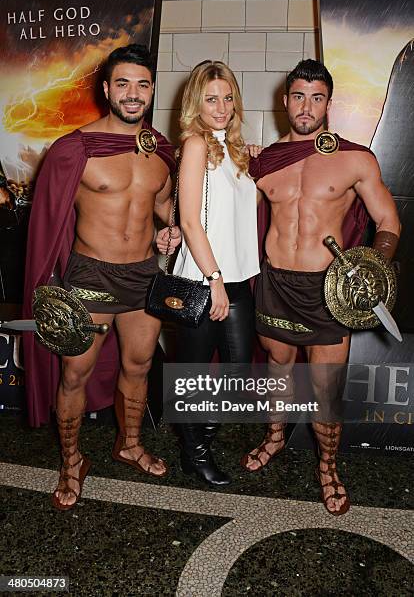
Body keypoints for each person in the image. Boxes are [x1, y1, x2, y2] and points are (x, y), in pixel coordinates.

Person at [23, 44, 181, 510]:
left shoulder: (160, 151)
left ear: (152, 90)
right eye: (124, 84)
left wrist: (170, 229)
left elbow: (162, 207)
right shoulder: (76, 149)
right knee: (75, 373)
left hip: (143, 275)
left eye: (143, 85)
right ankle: (71, 461)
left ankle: (128, 443)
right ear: (107, 88)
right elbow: (49, 221)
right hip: (90, 274)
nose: (133, 94)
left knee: (139, 366)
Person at [241, 59, 400, 515]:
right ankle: (274, 437)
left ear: (329, 103)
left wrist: (372, 268)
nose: (306, 106)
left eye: (316, 97)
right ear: (284, 100)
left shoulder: (355, 158)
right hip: (275, 282)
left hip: (329, 290)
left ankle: (328, 467)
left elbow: (388, 220)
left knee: (325, 388)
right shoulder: (266, 161)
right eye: (298, 96)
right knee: (278, 367)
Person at [165, 60, 260, 485]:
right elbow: (189, 221)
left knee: (238, 373)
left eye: (227, 97)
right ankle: (196, 452)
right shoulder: (195, 144)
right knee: (194, 372)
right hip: (204, 279)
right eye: (211, 99)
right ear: (195, 103)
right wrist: (215, 280)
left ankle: (195, 444)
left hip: (237, 277)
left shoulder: (233, 149)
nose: (221, 107)